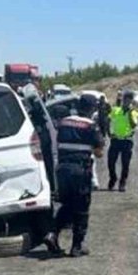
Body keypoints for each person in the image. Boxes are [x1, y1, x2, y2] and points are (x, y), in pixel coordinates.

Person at [47, 95, 104, 257]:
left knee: (67, 205)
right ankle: (77, 246)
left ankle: (52, 234)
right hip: (79, 171)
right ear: (91, 109)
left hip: (62, 170)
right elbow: (99, 153)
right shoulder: (90, 126)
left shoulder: (64, 122)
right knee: (81, 209)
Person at [107, 90, 138, 192]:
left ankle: (122, 182)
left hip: (127, 141)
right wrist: (108, 133)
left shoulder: (134, 112)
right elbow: (107, 120)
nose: (126, 101)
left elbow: (133, 125)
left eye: (129, 100)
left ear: (131, 101)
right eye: (125, 99)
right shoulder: (116, 110)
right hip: (115, 140)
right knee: (111, 162)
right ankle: (113, 178)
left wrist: (129, 112)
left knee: (125, 164)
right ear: (123, 100)